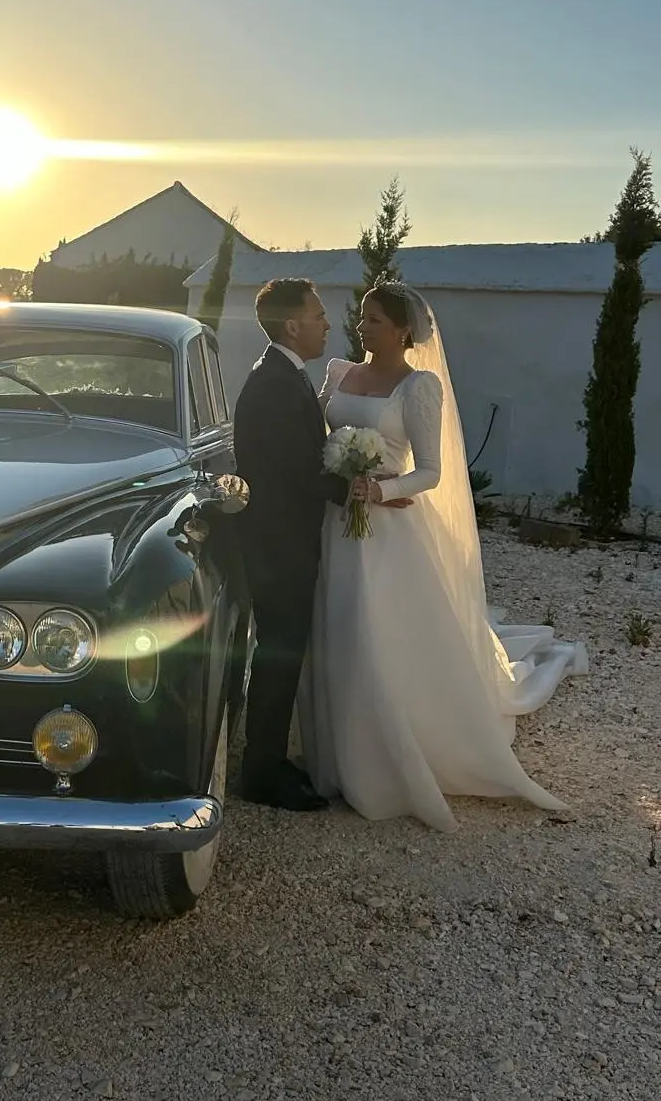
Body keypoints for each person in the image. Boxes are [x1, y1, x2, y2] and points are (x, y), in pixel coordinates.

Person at [298, 282, 587, 833]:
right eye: (362, 318)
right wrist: (337, 474)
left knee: (372, 630)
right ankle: (335, 752)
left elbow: (431, 469)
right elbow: (313, 435)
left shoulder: (419, 387)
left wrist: (378, 489)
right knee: (336, 625)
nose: (364, 327)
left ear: (405, 330)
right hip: (335, 524)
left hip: (389, 530)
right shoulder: (337, 373)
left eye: (376, 320)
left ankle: (383, 760)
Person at [232, 278, 412, 810]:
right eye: (318, 316)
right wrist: (362, 489)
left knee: (283, 651)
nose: (328, 324)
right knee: (279, 653)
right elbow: (296, 470)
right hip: (278, 542)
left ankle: (268, 759)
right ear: (293, 325)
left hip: (283, 537)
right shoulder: (276, 383)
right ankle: (261, 772)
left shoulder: (285, 376)